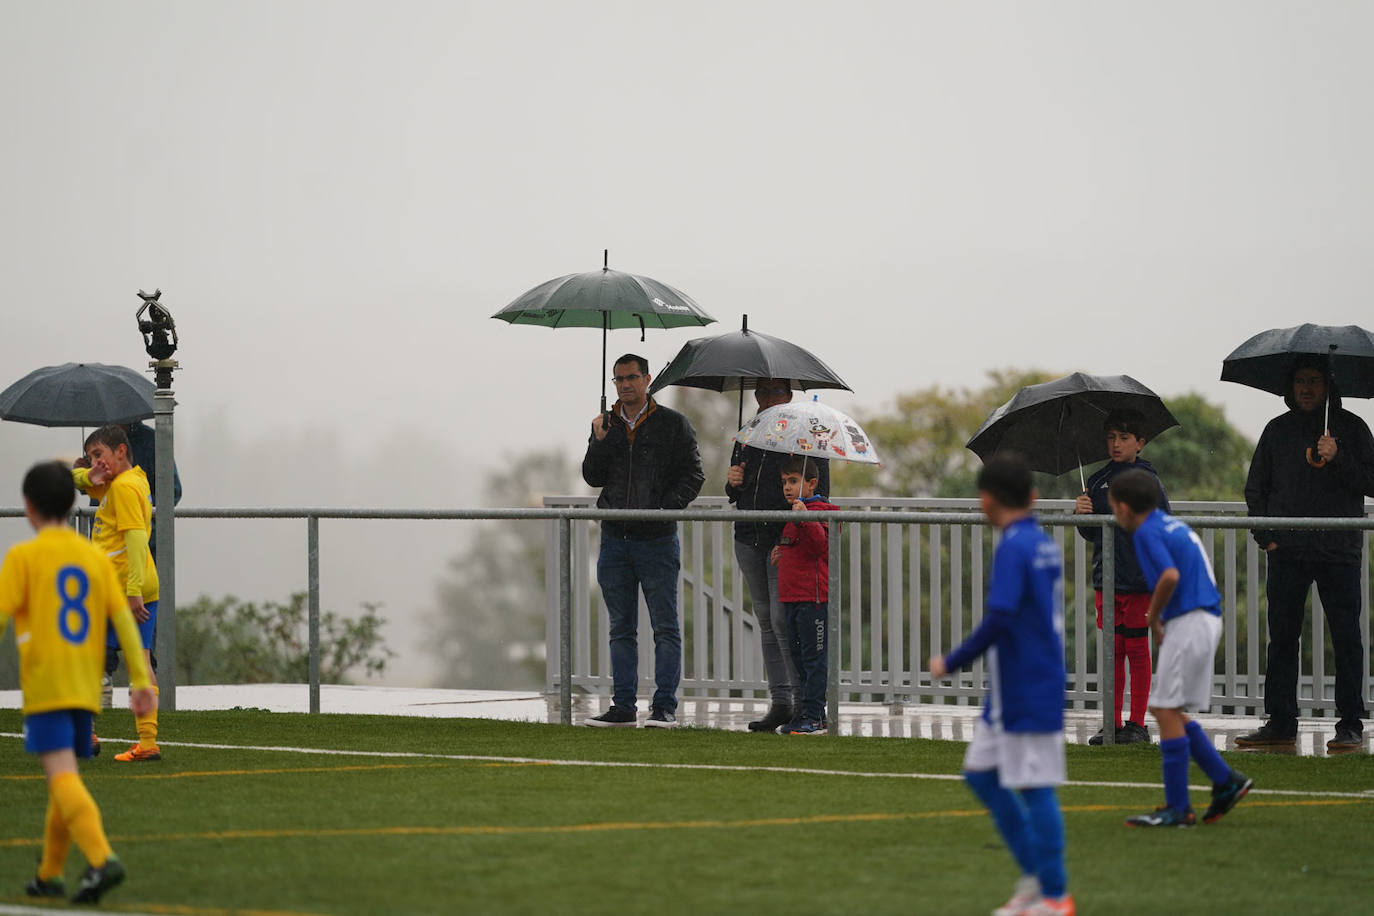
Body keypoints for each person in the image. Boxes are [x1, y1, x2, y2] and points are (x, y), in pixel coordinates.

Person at [0, 460, 157, 904]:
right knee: (62, 772)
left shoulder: (22, 557)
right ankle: (50, 873)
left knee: (63, 776)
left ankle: (101, 858)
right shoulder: (92, 556)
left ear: (28, 507)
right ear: (73, 504)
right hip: (85, 685)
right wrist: (141, 680)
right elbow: (126, 624)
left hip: (47, 685)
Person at [929, 455, 1072, 916]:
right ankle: (1034, 879)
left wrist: (952, 661)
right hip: (1013, 684)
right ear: (1032, 497)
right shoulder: (1039, 539)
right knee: (980, 774)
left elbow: (1001, 616)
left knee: (1034, 787)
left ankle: (1055, 895)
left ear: (986, 501)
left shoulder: (1014, 545)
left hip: (1027, 683)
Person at [1239, 357, 1374, 751]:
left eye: (1314, 381)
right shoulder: (1276, 431)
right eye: (1300, 381)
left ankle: (1350, 724)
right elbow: (1255, 490)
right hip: (1288, 551)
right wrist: (1268, 538)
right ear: (1291, 386)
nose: (1307, 389)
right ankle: (1280, 722)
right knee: (1282, 638)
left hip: (1340, 551)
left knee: (1347, 638)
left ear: (1328, 385)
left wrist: (1339, 458)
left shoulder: (1352, 428)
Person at [1109, 470, 1253, 828]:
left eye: (1112, 506)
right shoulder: (1168, 523)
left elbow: (1169, 576)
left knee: (1164, 708)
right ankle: (1225, 780)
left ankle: (1179, 808)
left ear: (1124, 508)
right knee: (1170, 710)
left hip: (1191, 620)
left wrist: (1152, 615)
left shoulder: (1145, 532)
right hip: (1201, 618)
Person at [582, 354, 705, 728]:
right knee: (621, 627)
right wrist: (599, 441)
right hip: (614, 537)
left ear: (647, 379)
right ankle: (622, 707)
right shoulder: (605, 424)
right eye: (618, 379)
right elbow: (592, 475)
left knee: (665, 626)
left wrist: (664, 508)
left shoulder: (673, 424)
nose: (624, 385)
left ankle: (664, 707)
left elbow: (694, 475)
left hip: (657, 539)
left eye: (631, 377)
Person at [726, 379, 830, 732]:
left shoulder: (805, 437)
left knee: (783, 622)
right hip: (747, 535)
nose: (768, 398)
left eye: (776, 392)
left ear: (789, 396)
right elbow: (733, 489)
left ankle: (806, 705)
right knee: (767, 622)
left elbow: (818, 493)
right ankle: (782, 701)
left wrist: (788, 534)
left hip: (782, 542)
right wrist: (732, 480)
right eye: (763, 392)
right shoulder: (747, 434)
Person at [1073, 409, 1170, 745]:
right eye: (1112, 437)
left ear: (1140, 443)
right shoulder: (1098, 481)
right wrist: (1083, 515)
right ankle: (1111, 723)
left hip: (1140, 579)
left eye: (1124, 438)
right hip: (1107, 578)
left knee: (1137, 648)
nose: (1116, 444)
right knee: (1113, 649)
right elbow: (1093, 535)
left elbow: (1162, 522)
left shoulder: (1148, 480)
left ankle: (1137, 723)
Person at [72, 425, 163, 761]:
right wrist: (86, 473)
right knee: (139, 662)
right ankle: (148, 742)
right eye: (92, 456)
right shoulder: (132, 480)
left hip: (120, 590)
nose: (98, 462)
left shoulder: (122, 488)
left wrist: (133, 591)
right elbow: (75, 482)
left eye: (101, 454)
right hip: (140, 587)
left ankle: (87, 736)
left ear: (121, 451)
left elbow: (136, 539)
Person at [769, 455, 838, 735]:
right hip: (791, 598)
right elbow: (795, 547)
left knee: (814, 658)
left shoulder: (823, 511)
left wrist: (805, 519)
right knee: (798, 658)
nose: (787, 487)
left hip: (813, 600)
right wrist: (780, 552)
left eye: (794, 481)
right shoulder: (794, 515)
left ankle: (814, 715)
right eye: (784, 481)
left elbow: (821, 545)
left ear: (812, 483)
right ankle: (808, 714)